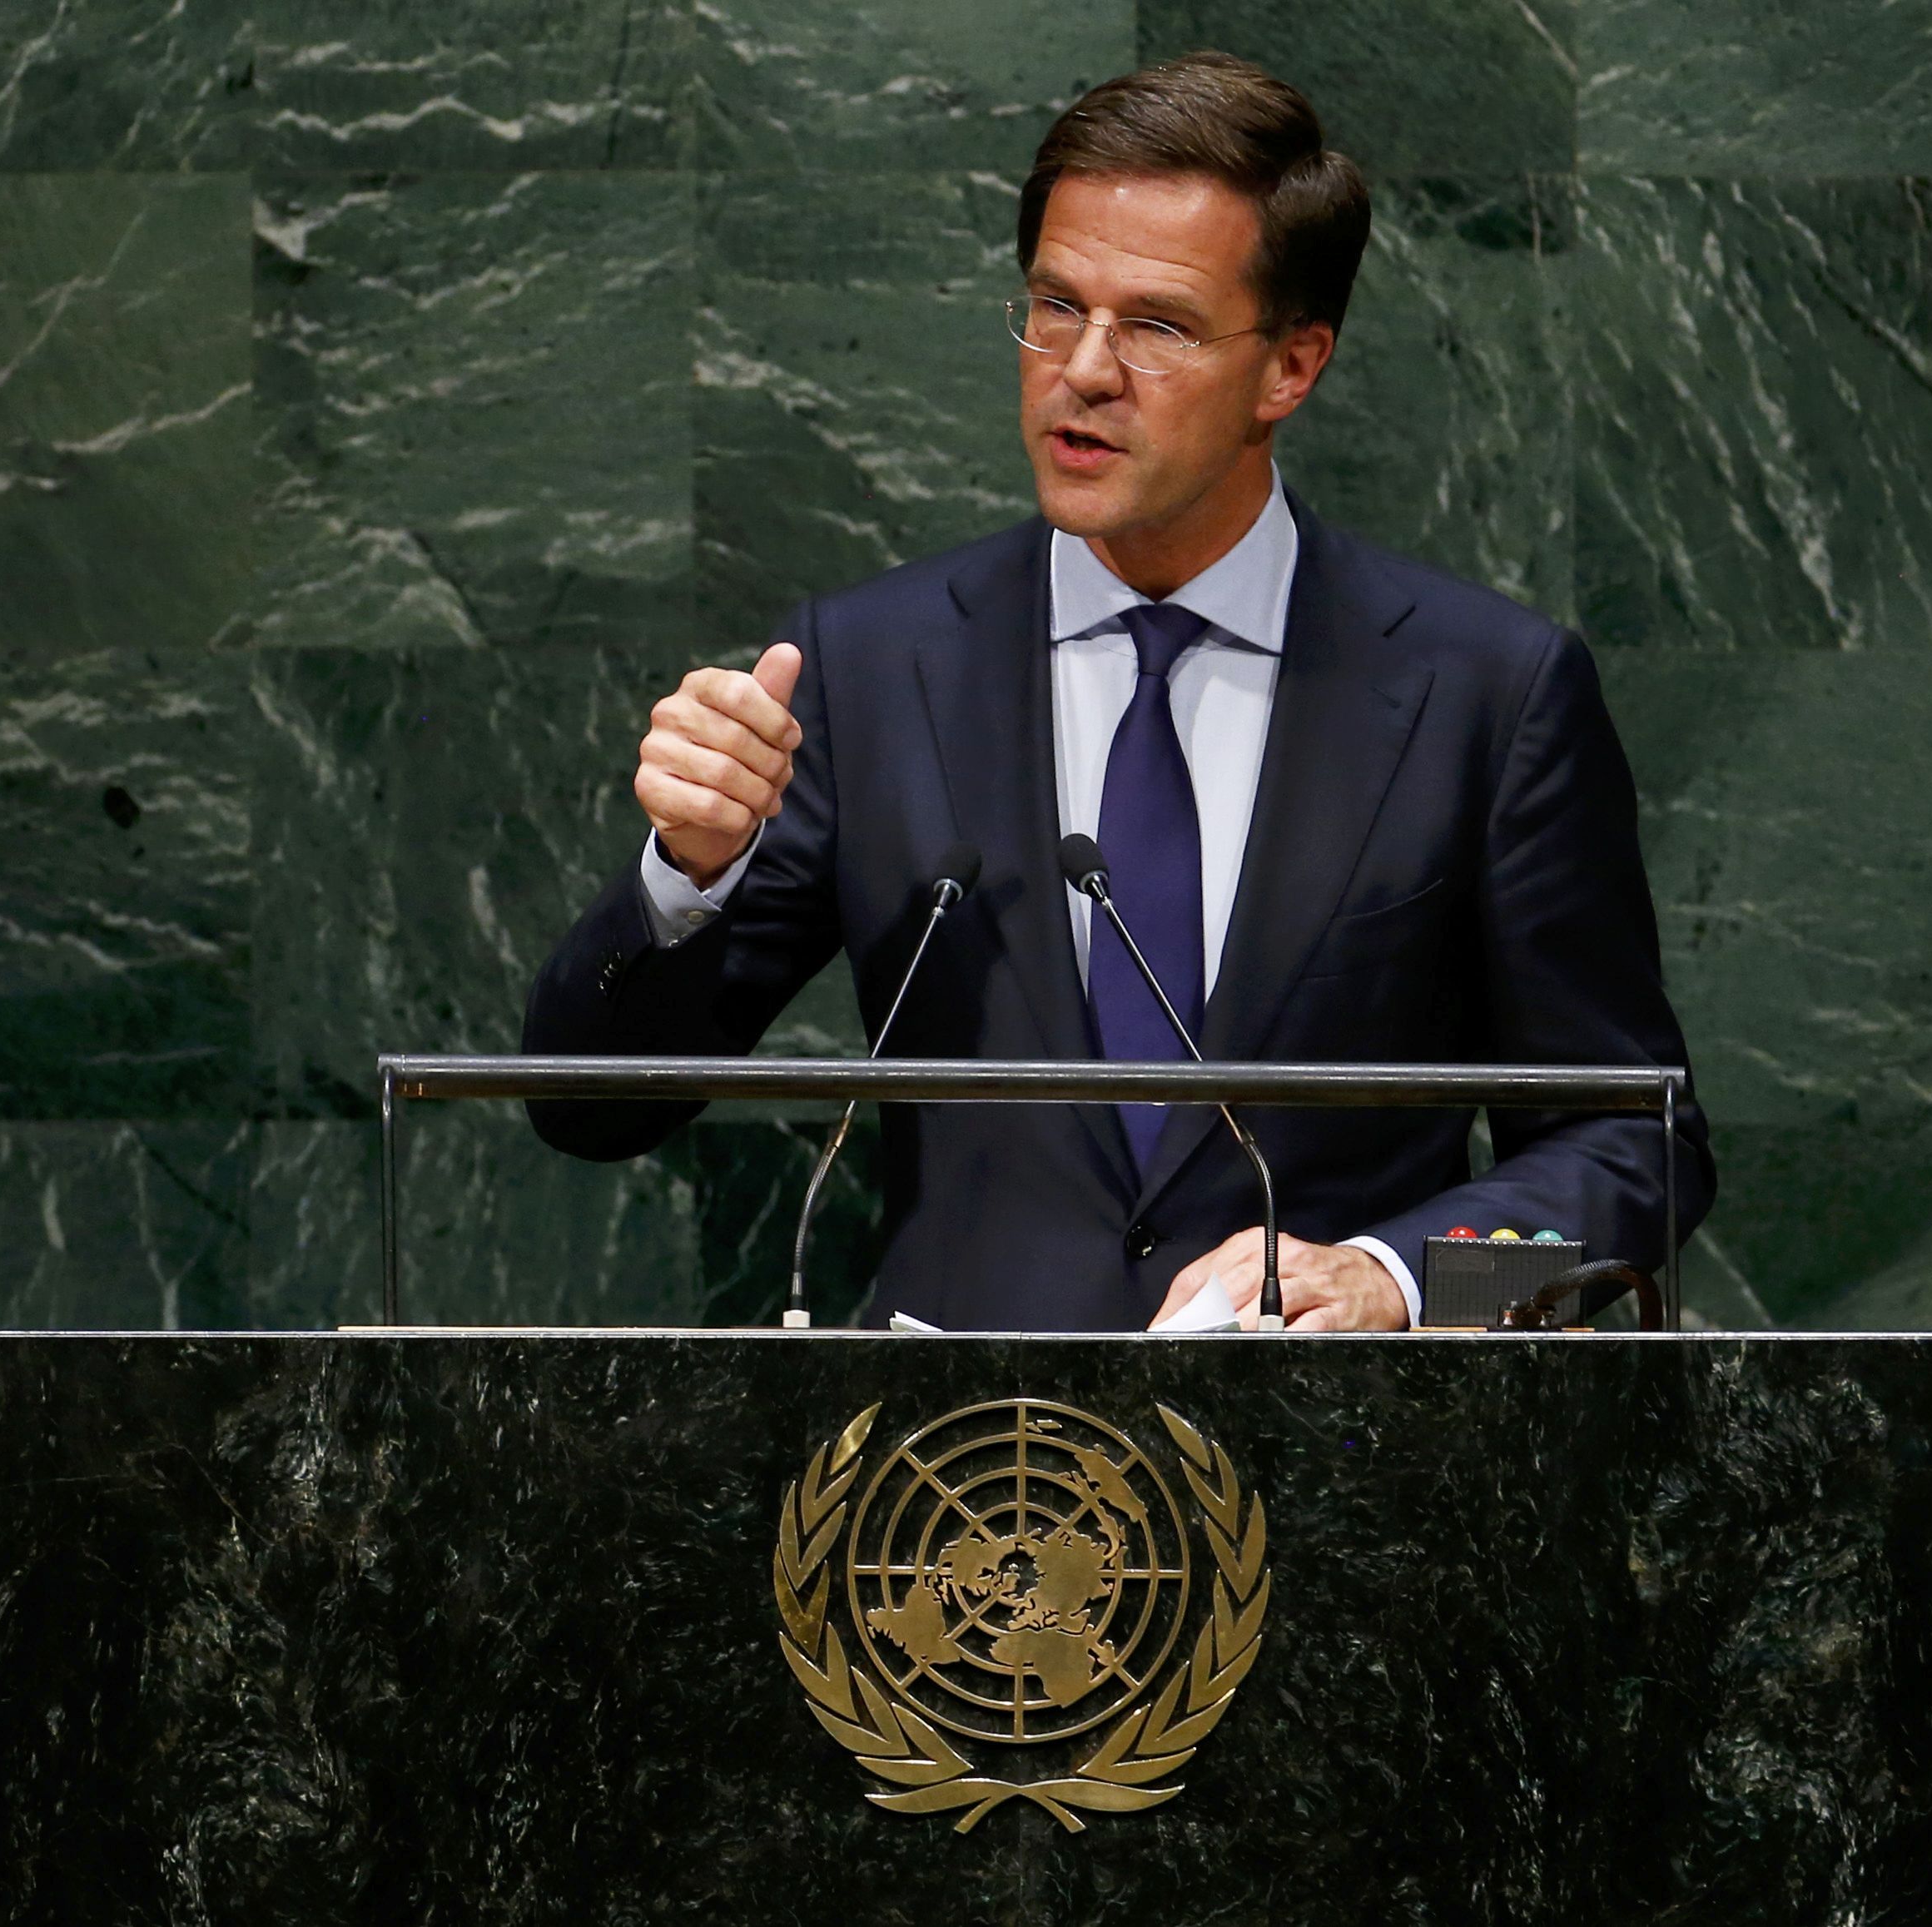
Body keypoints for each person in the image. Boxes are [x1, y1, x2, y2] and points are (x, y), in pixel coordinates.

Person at [524, 52, 1715, 1332]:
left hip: (1333, 1439)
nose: (1082, 369)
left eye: (1156, 326)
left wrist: (1403, 1279)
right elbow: (587, 1112)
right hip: (960, 1445)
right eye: (1054, 305)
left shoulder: (1485, 693)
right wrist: (687, 875)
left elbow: (1641, 1156)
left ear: (1290, 366)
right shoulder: (871, 666)